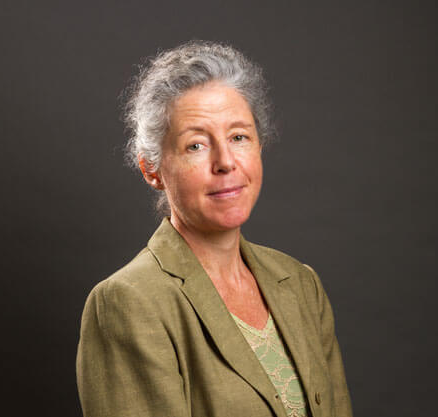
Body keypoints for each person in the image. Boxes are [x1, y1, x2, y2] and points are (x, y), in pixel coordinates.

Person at [76, 41, 352, 417]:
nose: (225, 162)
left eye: (239, 137)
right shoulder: (128, 304)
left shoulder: (301, 284)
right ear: (151, 170)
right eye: (196, 145)